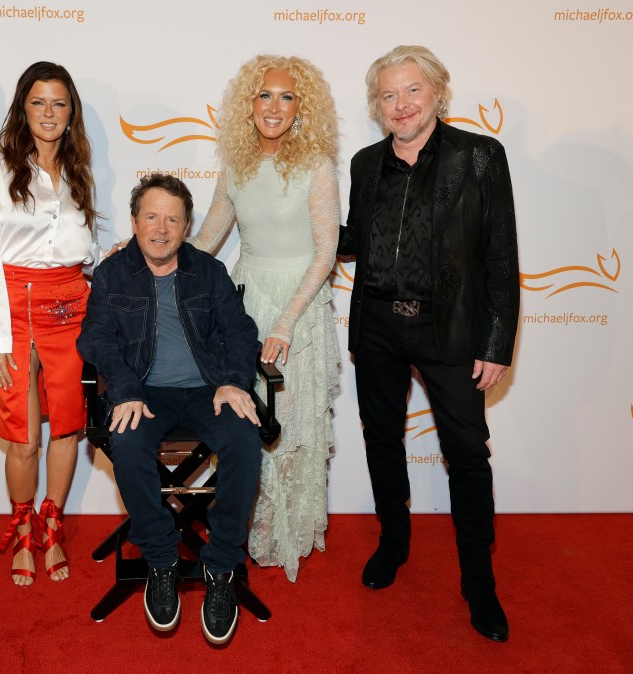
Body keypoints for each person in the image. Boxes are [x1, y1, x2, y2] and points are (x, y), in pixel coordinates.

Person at [338, 45, 519, 642]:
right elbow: (353, 239)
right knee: (381, 438)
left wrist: (496, 340)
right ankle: (394, 541)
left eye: (412, 90)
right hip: (377, 325)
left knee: (466, 452)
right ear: (377, 106)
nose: (401, 104)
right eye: (388, 95)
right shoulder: (365, 164)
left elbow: (500, 254)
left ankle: (479, 582)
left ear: (438, 91)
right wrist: (291, 226)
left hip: (452, 328)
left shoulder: (479, 156)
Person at [77, 174, 262, 645]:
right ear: (134, 221)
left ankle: (222, 565)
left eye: (172, 220)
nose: (161, 229)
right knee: (127, 444)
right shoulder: (113, 273)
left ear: (186, 226)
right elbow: (95, 338)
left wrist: (232, 381)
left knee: (244, 440)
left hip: (207, 390)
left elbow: (241, 333)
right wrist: (125, 389)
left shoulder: (209, 271)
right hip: (143, 391)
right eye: (152, 217)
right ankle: (160, 559)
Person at [190, 55, 341, 582]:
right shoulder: (237, 165)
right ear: (248, 103)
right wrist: (148, 251)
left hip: (297, 309)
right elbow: (207, 239)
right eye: (265, 95)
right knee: (243, 419)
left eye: (287, 96)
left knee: (290, 423)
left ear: (302, 107)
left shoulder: (316, 166)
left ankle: (284, 534)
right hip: (245, 304)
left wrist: (286, 323)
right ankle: (244, 527)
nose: (274, 107)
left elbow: (326, 253)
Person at [0, 62, 98, 586]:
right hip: (14, 308)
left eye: (59, 103)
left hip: (71, 307)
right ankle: (24, 528)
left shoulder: (78, 170)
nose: (49, 113)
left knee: (66, 426)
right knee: (23, 437)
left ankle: (53, 523)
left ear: (71, 113)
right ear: (23, 109)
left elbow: (78, 247)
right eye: (38, 102)